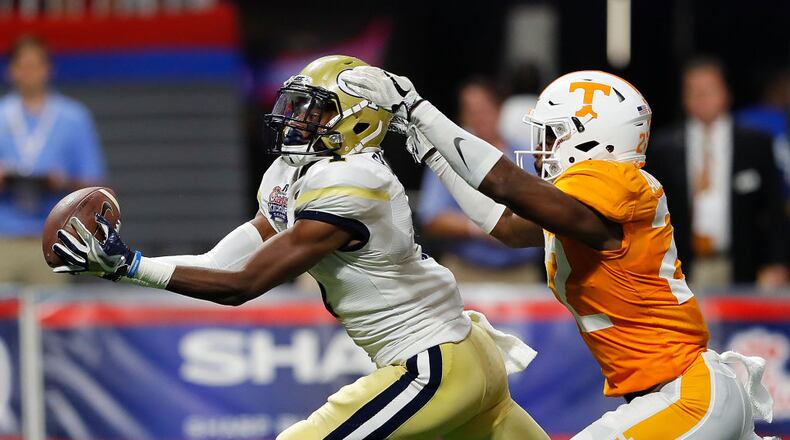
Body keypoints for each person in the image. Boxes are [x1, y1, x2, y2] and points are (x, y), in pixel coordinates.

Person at [50, 55, 549, 440]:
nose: (296, 118)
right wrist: (124, 261)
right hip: (465, 352)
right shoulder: (293, 175)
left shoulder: (355, 182)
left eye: (314, 109)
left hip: (434, 363)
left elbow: (241, 285)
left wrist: (127, 266)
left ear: (355, 120)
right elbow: (219, 264)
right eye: (296, 105)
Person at [341, 66, 776, 439]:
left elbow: (507, 185)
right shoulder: (583, 210)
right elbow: (506, 226)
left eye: (552, 135)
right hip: (685, 390)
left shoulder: (616, 182)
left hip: (687, 394)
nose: (544, 148)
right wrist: (436, 154)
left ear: (592, 139)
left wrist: (419, 110)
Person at [647, 58, 788, 290]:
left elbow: (774, 208)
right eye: (694, 90)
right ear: (684, 97)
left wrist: (778, 263)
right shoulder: (665, 148)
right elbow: (652, 211)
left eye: (709, 89)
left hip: (744, 266)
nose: (701, 97)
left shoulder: (755, 144)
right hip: (681, 267)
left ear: (726, 93)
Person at [0, 35, 105, 285]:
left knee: (50, 317)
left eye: (35, 65)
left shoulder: (74, 118)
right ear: (11, 71)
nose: (29, 73)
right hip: (3, 239)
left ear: (48, 69)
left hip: (53, 241)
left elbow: (95, 187)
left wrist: (63, 184)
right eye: (23, 66)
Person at [419, 77, 542, 283]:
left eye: (484, 109)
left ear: (499, 108)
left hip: (521, 272)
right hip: (466, 270)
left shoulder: (527, 155)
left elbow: (546, 211)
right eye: (471, 111)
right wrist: (481, 228)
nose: (479, 118)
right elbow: (431, 216)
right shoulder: (449, 157)